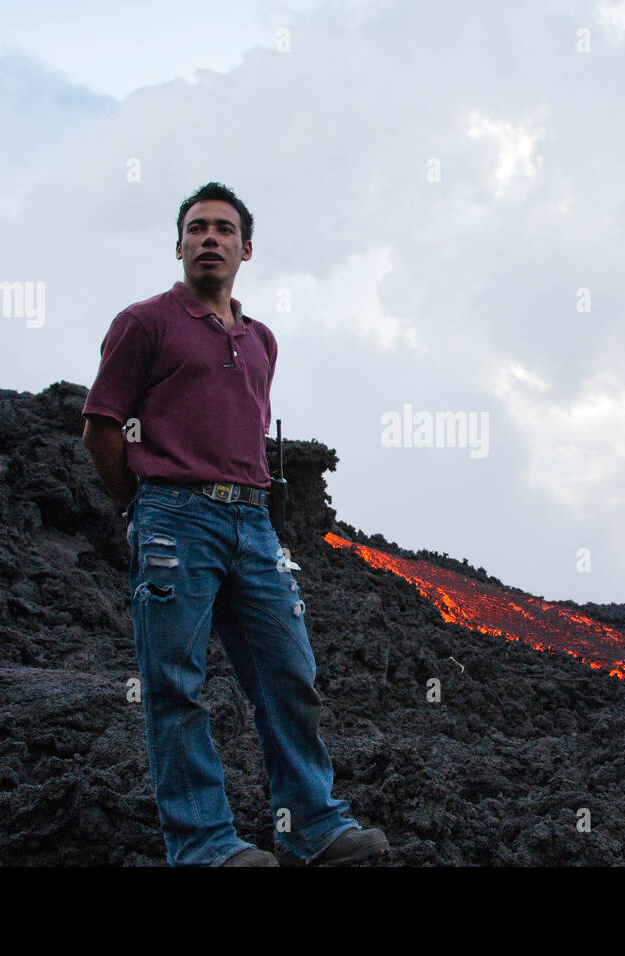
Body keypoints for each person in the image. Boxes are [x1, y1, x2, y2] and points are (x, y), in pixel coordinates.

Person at [80, 181, 388, 867]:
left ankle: (311, 826)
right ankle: (204, 845)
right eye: (196, 228)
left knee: (289, 676)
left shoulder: (261, 340)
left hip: (254, 526)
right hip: (173, 519)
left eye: (223, 229)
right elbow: (101, 427)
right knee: (176, 686)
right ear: (179, 244)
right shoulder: (144, 322)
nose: (209, 238)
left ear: (247, 248)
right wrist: (142, 502)